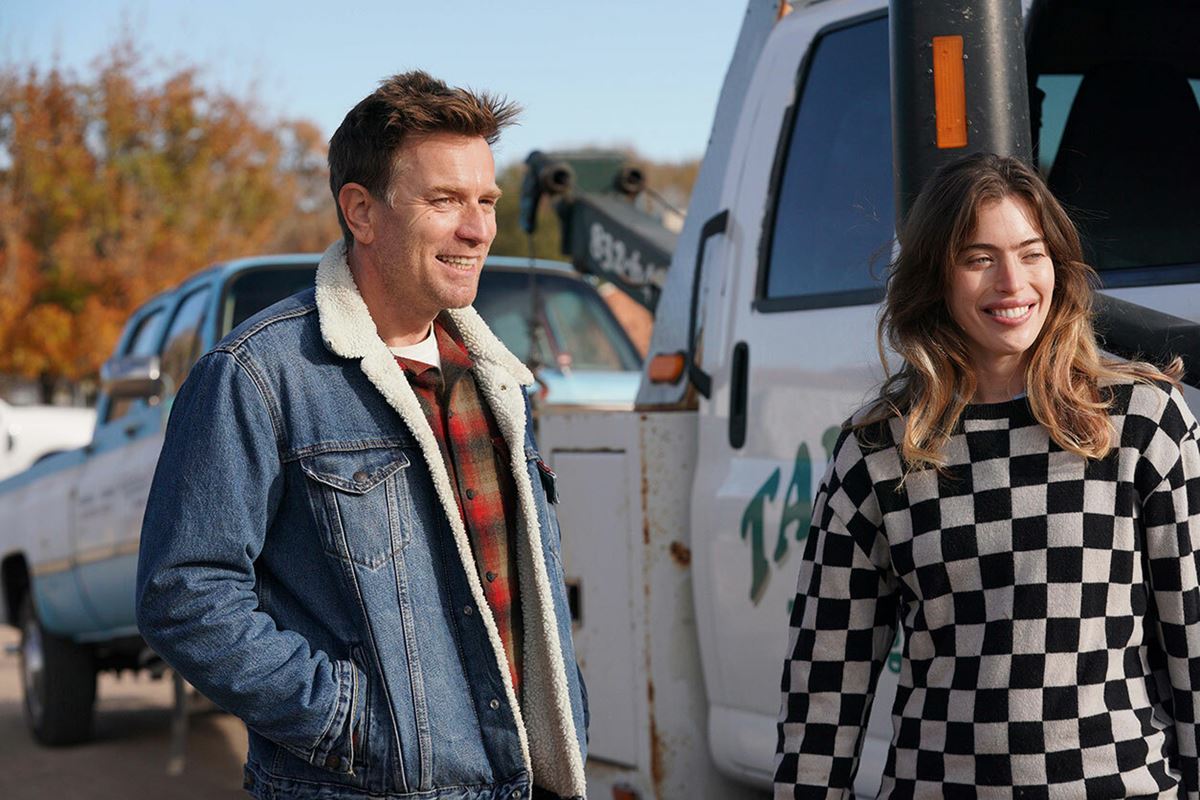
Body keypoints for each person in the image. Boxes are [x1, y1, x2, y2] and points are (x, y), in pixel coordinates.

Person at [136, 71, 588, 800]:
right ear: (361, 212)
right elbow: (185, 595)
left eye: (486, 202)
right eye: (444, 200)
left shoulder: (497, 381)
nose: (476, 230)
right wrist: (352, 724)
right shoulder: (259, 374)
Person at [774, 152, 1200, 798]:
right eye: (979, 259)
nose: (1012, 282)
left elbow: (1193, 639)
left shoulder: (1142, 421)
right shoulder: (879, 450)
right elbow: (824, 682)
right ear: (935, 278)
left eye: (1032, 254)